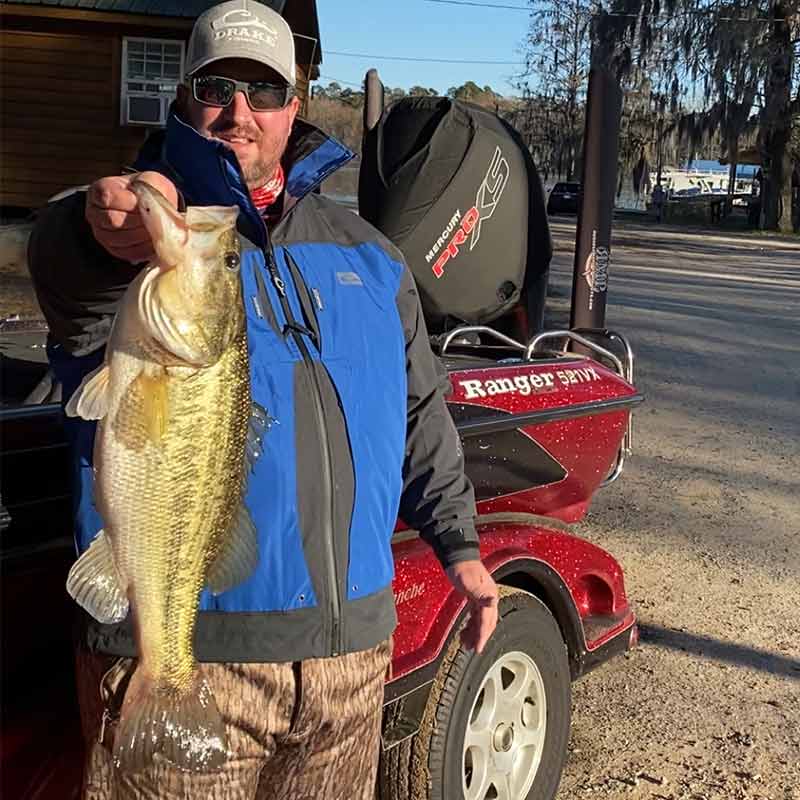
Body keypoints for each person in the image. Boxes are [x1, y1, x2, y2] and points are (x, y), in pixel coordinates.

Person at [27, 2, 499, 798]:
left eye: (263, 90)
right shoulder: (152, 238)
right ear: (182, 98)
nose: (239, 113)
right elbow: (75, 286)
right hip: (185, 654)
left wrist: (460, 545)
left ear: (296, 104)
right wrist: (91, 236)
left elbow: (419, 411)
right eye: (217, 86)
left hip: (349, 664)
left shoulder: (372, 257)